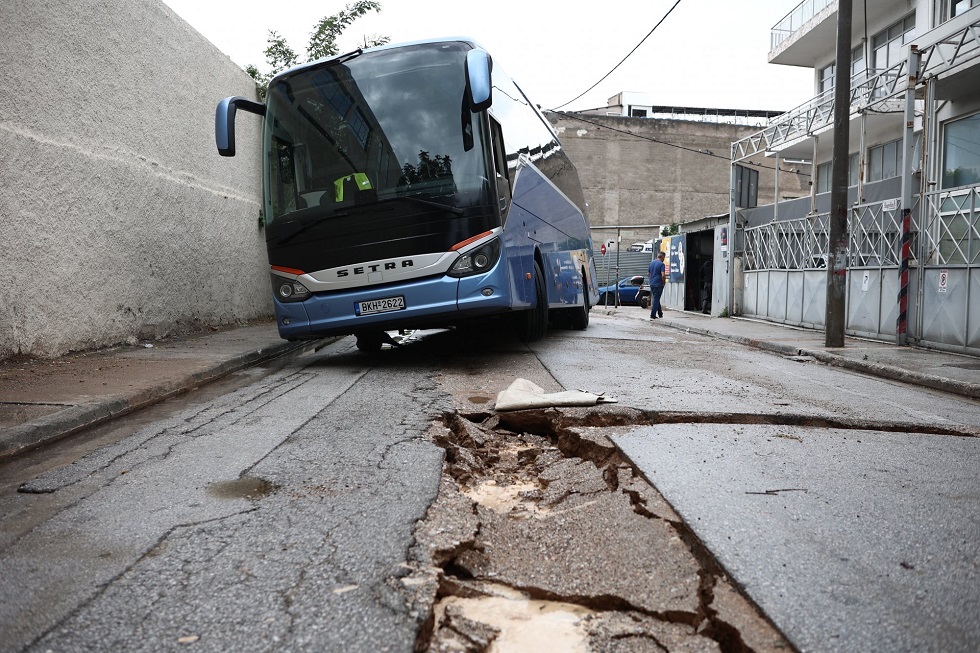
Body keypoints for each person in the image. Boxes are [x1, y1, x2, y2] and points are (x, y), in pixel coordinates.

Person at [648, 251, 666, 319]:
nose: (664, 259)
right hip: (658, 284)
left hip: (652, 283)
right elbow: (663, 275)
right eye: (664, 257)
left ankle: (660, 313)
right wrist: (663, 282)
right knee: (656, 299)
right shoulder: (661, 264)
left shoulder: (651, 263)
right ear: (662, 257)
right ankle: (652, 315)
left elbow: (648, 274)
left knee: (656, 298)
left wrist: (651, 280)